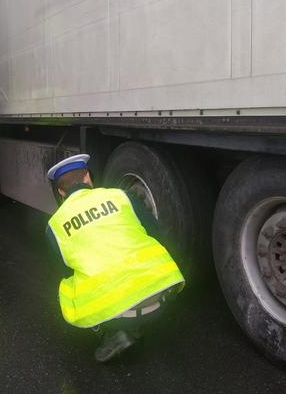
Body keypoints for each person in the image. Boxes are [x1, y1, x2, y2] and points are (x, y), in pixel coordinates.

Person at [45, 154, 185, 362]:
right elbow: (157, 233)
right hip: (160, 294)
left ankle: (110, 331)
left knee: (65, 288)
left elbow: (65, 270)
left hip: (114, 311)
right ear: (88, 179)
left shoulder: (54, 226)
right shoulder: (122, 196)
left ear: (61, 192)